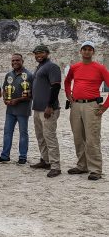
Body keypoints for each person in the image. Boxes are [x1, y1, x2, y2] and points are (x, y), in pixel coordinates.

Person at [64, 41, 109, 181]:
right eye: (84, 49)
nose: (87, 51)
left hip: (92, 106)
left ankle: (95, 169)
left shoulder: (100, 68)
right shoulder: (75, 67)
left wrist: (105, 106)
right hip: (76, 105)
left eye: (90, 49)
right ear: (80, 51)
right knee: (78, 137)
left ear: (93, 52)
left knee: (92, 138)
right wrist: (68, 94)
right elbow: (67, 81)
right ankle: (82, 165)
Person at [0, 54, 33, 164]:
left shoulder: (29, 75)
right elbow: (5, 90)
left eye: (17, 60)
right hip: (10, 110)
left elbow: (31, 94)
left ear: (22, 61)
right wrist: (5, 99)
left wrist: (18, 100)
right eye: (13, 60)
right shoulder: (8, 75)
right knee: (7, 132)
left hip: (23, 109)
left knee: (23, 133)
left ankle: (22, 156)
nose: (15, 62)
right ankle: (5, 155)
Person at [30, 45, 62, 178]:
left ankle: (55, 166)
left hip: (47, 109)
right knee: (40, 136)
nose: (39, 55)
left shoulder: (52, 66)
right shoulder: (39, 67)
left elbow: (56, 86)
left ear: (47, 53)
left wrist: (49, 106)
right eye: (36, 53)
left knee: (50, 137)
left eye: (41, 52)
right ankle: (46, 160)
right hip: (37, 108)